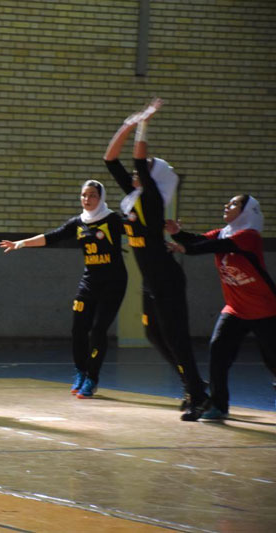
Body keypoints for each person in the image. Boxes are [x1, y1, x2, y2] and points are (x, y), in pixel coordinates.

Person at [103, 98, 208, 421]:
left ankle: (198, 395)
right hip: (151, 278)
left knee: (175, 336)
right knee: (154, 335)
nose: (137, 173)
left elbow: (136, 159)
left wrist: (144, 124)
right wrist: (128, 124)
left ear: (153, 178)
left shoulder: (151, 199)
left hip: (166, 277)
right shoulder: (133, 198)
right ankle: (192, 384)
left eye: (144, 170)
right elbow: (110, 159)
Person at [0, 180, 127, 398]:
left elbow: (137, 229)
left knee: (98, 330)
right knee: (78, 328)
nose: (87, 200)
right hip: (90, 281)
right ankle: (80, 371)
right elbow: (52, 237)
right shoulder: (78, 223)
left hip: (113, 282)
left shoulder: (112, 220)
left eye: (92, 195)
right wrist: (20, 243)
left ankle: (92, 378)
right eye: (84, 195)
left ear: (101, 197)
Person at [166, 195, 276, 420]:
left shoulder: (249, 236)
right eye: (227, 202)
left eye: (234, 204)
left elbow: (212, 246)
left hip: (265, 309)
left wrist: (185, 249)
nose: (227, 205)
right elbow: (198, 240)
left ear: (248, 212)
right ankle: (218, 405)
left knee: (272, 360)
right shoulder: (223, 232)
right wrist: (177, 232)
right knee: (218, 350)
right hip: (235, 308)